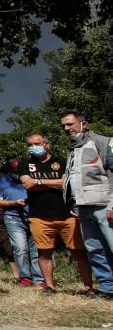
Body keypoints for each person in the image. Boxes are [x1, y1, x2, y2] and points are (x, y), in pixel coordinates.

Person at [20, 131, 93, 294]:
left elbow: (66, 183)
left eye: (37, 144)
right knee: (44, 252)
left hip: (68, 215)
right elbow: (26, 183)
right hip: (39, 216)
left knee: (79, 252)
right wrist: (54, 183)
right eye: (30, 145)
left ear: (47, 144)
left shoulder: (62, 161)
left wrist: (38, 181)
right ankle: (50, 287)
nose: (33, 148)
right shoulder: (24, 164)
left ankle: (89, 287)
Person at [58, 111, 113, 299]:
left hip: (104, 205)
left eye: (70, 124)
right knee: (95, 249)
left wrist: (112, 204)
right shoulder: (73, 148)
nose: (66, 128)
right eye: (63, 126)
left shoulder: (103, 142)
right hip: (83, 206)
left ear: (84, 124)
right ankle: (107, 289)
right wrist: (73, 202)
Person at [0, 156, 39, 287]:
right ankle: (25, 277)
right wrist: (13, 203)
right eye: (15, 170)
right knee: (20, 248)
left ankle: (39, 278)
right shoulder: (2, 181)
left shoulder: (34, 177)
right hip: (13, 217)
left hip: (34, 216)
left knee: (36, 249)